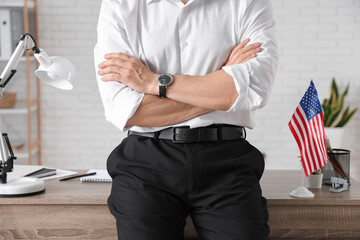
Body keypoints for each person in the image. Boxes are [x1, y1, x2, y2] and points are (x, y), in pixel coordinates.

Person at [94, 0, 278, 239]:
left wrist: (153, 83)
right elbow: (129, 111)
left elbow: (255, 88)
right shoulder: (121, 4)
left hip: (227, 161)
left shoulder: (246, 3)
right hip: (146, 164)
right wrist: (220, 81)